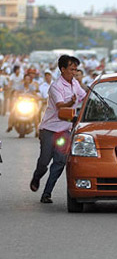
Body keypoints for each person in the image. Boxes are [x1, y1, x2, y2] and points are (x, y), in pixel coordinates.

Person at [29, 55, 86, 204]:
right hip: (49, 129)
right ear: (63, 69)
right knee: (44, 161)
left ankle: (47, 193)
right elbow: (60, 106)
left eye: (76, 69)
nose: (74, 72)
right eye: (71, 69)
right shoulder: (55, 86)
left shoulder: (75, 84)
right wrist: (71, 102)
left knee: (60, 162)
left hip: (64, 130)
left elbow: (84, 97)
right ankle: (37, 177)